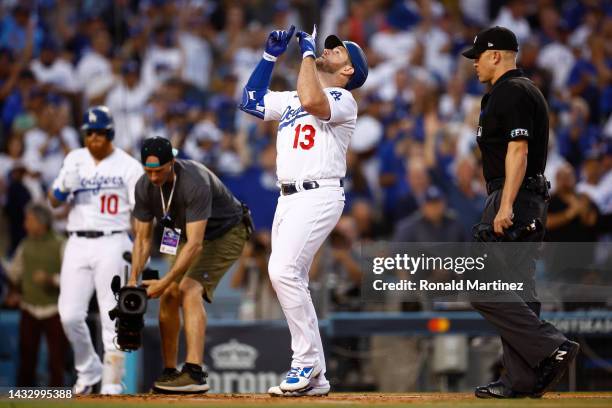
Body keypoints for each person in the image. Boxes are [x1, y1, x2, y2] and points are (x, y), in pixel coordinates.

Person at [239, 24, 368, 397]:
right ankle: (318, 376)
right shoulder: (296, 96)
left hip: (319, 193)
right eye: (328, 48)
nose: (330, 50)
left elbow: (313, 101)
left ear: (348, 71)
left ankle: (305, 361)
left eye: (338, 51)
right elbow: (250, 101)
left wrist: (308, 54)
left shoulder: (344, 99)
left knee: (281, 270)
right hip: (288, 197)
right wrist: (268, 58)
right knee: (289, 276)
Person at [461, 26, 579, 399]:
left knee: (480, 285)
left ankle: (551, 345)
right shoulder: (517, 91)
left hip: (514, 195)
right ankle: (521, 380)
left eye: (478, 56)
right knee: (518, 291)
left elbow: (519, 151)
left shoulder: (511, 91)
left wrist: (507, 204)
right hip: (526, 195)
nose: (474, 63)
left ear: (496, 55)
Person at [127, 136, 250, 393]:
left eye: (158, 170)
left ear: (172, 162)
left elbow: (195, 245)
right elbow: (142, 238)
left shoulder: (194, 181)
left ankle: (194, 372)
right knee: (169, 293)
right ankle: (170, 371)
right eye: (148, 171)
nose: (153, 177)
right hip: (183, 234)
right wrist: (132, 281)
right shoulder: (143, 186)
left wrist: (165, 280)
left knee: (187, 289)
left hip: (225, 233)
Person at [48, 106, 144, 395]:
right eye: (89, 133)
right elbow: (53, 202)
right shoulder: (74, 159)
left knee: (111, 316)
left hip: (113, 241)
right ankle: (88, 370)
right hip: (77, 241)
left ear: (110, 133)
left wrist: (140, 252)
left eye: (99, 133)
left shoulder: (128, 166)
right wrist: (64, 188)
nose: (94, 138)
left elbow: (141, 214)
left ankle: (113, 381)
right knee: (69, 314)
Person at [5, 203, 67, 387]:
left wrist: (51, 280)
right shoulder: (25, 245)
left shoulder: (60, 244)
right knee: (26, 359)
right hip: (29, 308)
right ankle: (25, 400)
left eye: (29, 220)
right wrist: (13, 292)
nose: (25, 224)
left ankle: (56, 399)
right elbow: (15, 273)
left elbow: (71, 278)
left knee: (56, 361)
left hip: (54, 309)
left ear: (41, 222)